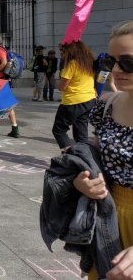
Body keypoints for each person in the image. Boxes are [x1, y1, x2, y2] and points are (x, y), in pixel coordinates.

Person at [71, 20, 133, 280]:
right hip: (108, 219)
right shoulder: (107, 105)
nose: (117, 70)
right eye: (110, 61)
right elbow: (92, 161)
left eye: (128, 62)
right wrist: (82, 181)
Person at [51, 40, 96, 152]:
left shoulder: (71, 64)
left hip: (73, 101)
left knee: (59, 130)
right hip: (89, 99)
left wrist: (58, 81)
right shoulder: (88, 63)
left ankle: (72, 155)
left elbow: (62, 87)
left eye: (63, 51)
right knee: (81, 135)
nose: (62, 54)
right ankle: (86, 159)